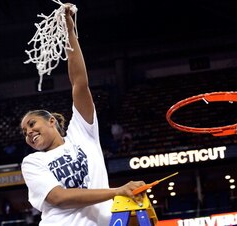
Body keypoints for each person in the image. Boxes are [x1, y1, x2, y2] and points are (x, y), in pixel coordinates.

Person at [20, 4, 145, 226]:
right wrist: (117, 191)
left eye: (31, 123)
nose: (28, 132)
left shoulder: (82, 133)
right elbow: (59, 198)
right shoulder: (32, 162)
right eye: (24, 132)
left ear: (51, 121)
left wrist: (69, 32)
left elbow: (79, 83)